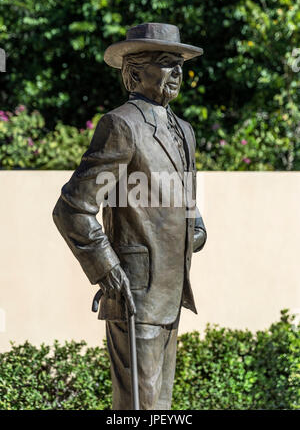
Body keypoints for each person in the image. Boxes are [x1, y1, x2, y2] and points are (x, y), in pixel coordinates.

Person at [53, 23, 207, 410]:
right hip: (134, 292)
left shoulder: (184, 131)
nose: (176, 72)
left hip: (172, 291)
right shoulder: (122, 125)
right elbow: (73, 208)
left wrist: (196, 228)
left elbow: (183, 202)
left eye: (179, 64)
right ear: (134, 73)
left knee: (161, 406)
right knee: (139, 406)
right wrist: (108, 270)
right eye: (164, 63)